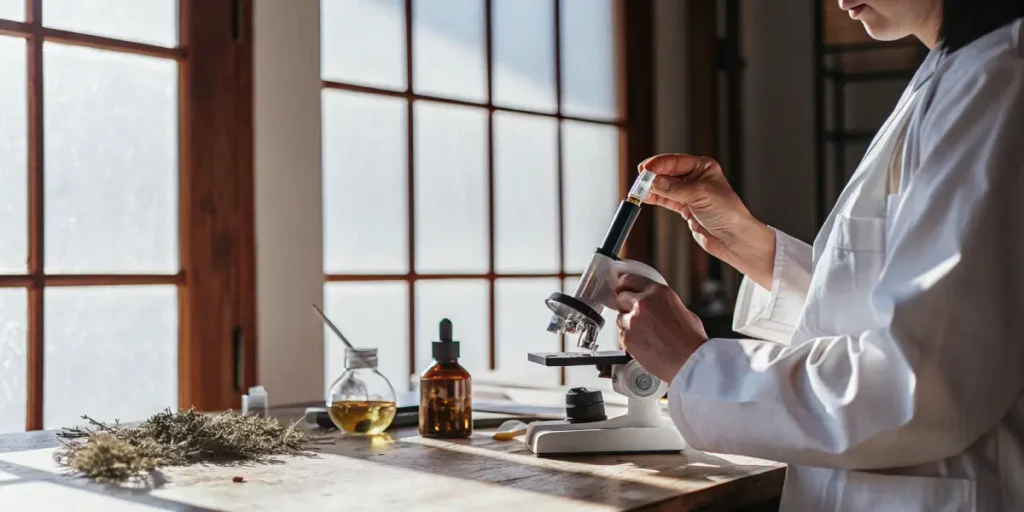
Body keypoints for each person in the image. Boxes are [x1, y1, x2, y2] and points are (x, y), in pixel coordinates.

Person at [612, 0, 1024, 510]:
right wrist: (753, 247)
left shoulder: (996, 79)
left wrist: (696, 363)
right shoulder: (951, 71)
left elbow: (923, 388)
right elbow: (904, 309)